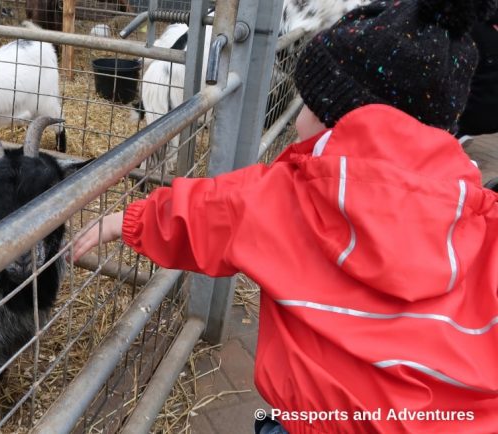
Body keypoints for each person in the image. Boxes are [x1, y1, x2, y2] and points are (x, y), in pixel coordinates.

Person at [72, 0, 498, 433]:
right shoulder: (485, 222)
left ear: (343, 120)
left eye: (309, 106)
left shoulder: (289, 196)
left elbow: (204, 213)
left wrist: (124, 222)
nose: (296, 123)